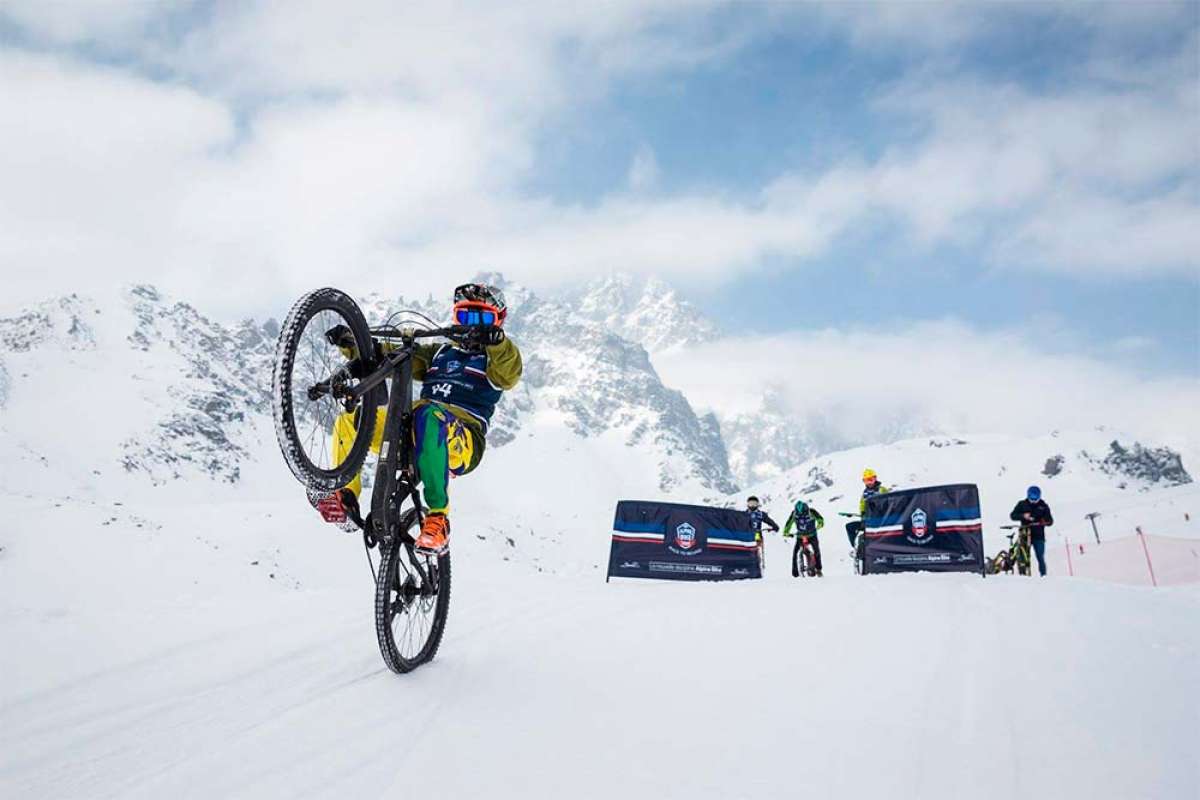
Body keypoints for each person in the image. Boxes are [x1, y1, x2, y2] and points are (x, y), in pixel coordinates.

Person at [311, 282, 523, 555]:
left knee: (429, 414)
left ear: (498, 321)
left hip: (462, 439)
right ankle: (346, 496)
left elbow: (509, 371)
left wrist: (497, 341)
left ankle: (438, 518)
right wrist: (354, 343)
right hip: (412, 429)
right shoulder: (440, 354)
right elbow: (392, 357)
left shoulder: (495, 362)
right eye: (464, 316)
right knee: (352, 418)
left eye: (481, 319)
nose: (471, 326)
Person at [1010, 485, 1054, 576]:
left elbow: (1050, 521)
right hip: (1025, 534)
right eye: (1032, 497)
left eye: (1036, 497)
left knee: (1040, 557)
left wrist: (1044, 521)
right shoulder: (1022, 504)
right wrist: (1023, 516)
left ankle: (1043, 576)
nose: (1034, 499)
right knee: (1024, 556)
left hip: (1039, 536)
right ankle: (1024, 575)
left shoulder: (1043, 506)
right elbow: (1013, 516)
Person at [845, 468, 889, 547]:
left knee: (864, 536)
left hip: (880, 521)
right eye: (866, 481)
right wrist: (863, 515)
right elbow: (862, 506)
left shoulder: (882, 490)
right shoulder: (865, 493)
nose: (869, 483)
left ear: (875, 479)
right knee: (850, 526)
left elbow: (888, 504)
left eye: (870, 480)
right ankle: (856, 548)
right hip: (868, 521)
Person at [783, 499, 825, 577]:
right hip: (800, 536)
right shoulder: (794, 514)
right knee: (795, 553)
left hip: (812, 535)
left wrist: (819, 525)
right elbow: (789, 523)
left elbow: (820, 519)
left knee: (816, 551)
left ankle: (818, 569)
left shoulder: (812, 512)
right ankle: (795, 574)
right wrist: (786, 532)